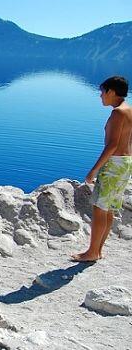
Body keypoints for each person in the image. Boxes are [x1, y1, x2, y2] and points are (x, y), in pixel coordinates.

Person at [72, 76, 132, 262]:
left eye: (102, 92)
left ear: (111, 92)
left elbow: (112, 144)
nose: (100, 96)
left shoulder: (118, 113)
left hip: (114, 164)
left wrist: (94, 170)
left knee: (99, 208)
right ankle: (98, 251)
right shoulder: (129, 110)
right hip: (126, 163)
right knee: (109, 209)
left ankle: (91, 252)